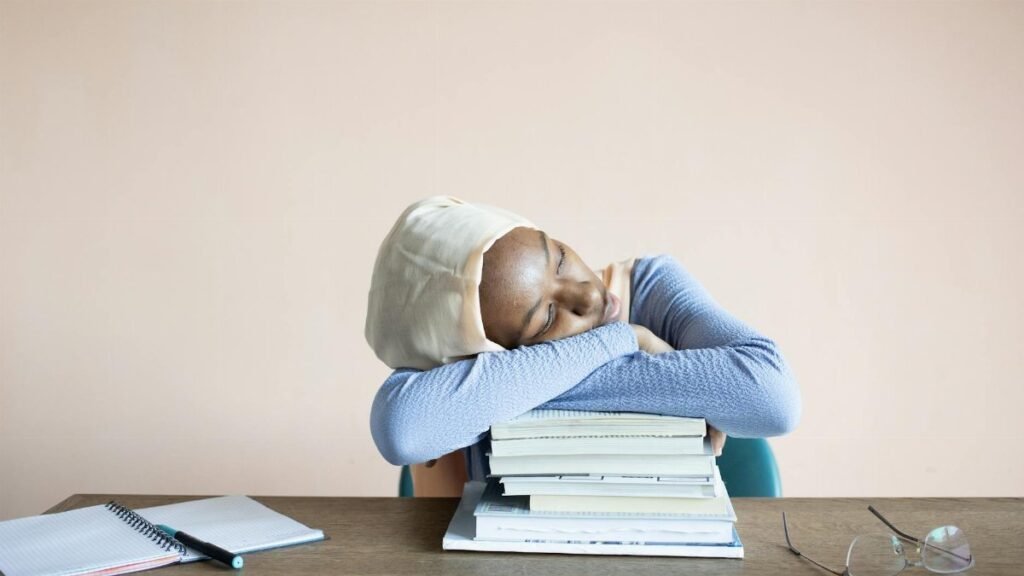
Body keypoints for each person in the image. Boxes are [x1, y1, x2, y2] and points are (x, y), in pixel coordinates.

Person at [366, 196, 801, 496]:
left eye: (557, 256)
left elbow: (774, 399)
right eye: (548, 318)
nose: (589, 296)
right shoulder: (442, 367)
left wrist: (521, 386)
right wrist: (622, 339)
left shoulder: (649, 286)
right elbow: (403, 429)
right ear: (483, 354)